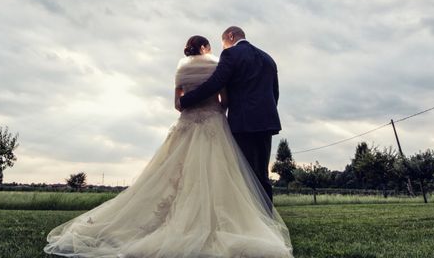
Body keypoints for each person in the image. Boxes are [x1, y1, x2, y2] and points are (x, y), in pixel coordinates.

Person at [44, 34, 292, 258]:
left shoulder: (183, 70)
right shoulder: (256, 60)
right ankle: (262, 223)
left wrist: (188, 102)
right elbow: (230, 97)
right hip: (251, 121)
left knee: (178, 174)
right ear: (205, 47)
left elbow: (179, 103)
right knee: (247, 176)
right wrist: (218, 111)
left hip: (191, 124)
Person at [178, 26, 281, 202]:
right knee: (262, 173)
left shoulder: (231, 55)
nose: (223, 47)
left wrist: (186, 100)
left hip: (243, 122)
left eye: (223, 43)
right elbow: (274, 92)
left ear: (230, 36)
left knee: (244, 173)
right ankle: (267, 216)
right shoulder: (268, 58)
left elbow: (215, 83)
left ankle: (253, 219)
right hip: (266, 122)